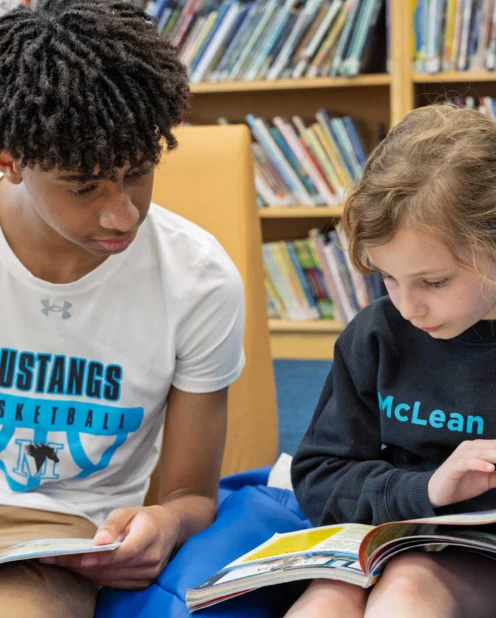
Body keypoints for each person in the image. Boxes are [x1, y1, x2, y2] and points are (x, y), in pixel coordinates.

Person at [0, 1, 245, 617]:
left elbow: (191, 494)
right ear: (9, 163)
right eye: (84, 187)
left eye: (138, 172)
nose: (123, 214)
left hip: (50, 549)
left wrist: (163, 522)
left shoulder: (197, 280)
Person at [285, 104, 496, 618]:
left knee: (408, 589)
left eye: (435, 281)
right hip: (383, 535)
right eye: (388, 278)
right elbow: (319, 474)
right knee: (324, 604)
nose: (408, 306)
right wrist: (425, 488)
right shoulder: (377, 334)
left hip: (474, 560)